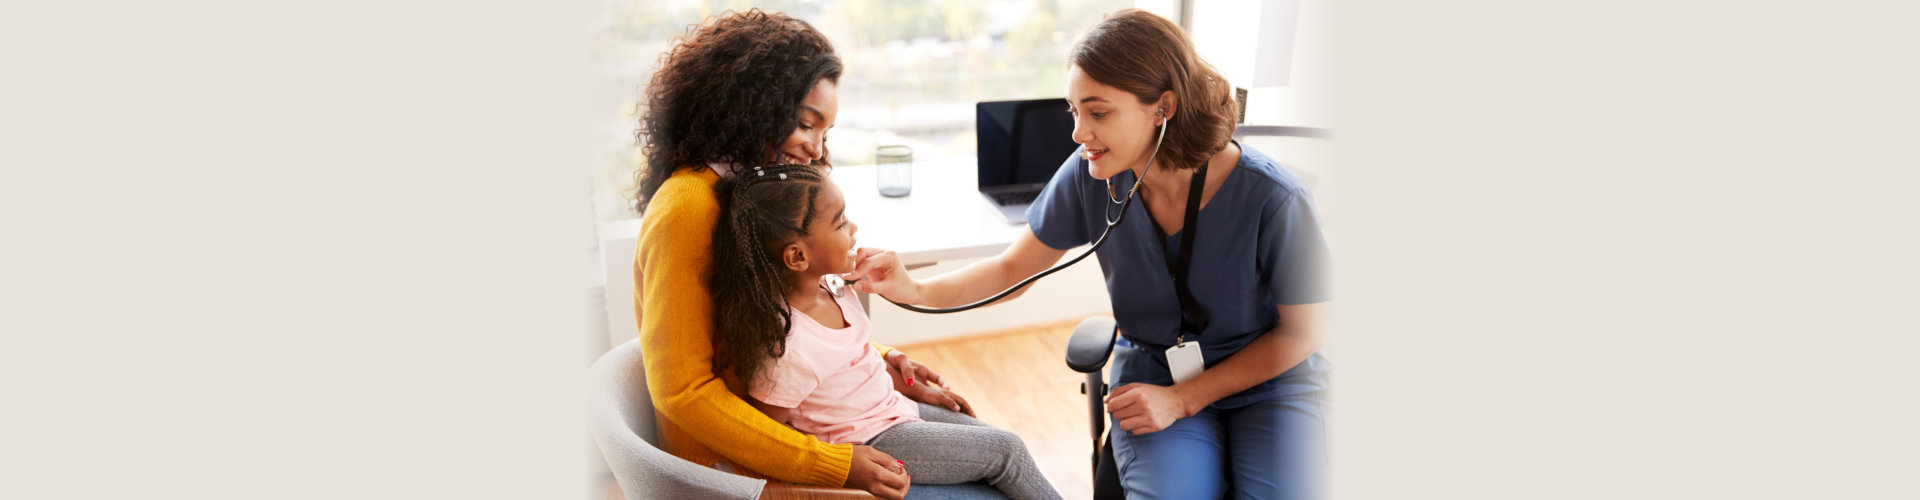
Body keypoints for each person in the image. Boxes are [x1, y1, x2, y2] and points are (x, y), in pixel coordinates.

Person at [846, 8, 1330, 500]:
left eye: (1098, 113)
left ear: (1163, 107)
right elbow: (1012, 269)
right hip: (1155, 372)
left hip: (1269, 379)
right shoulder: (1090, 174)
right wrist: (911, 288)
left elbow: (1304, 330)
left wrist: (1186, 398)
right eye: (1074, 111)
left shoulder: (1272, 197)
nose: (1078, 134)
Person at [630, 9, 957, 499]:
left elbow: (787, 328)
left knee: (985, 449)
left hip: (790, 432)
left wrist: (880, 361)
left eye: (825, 133)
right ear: (752, 105)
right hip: (729, 473)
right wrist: (833, 464)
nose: (814, 148)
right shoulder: (688, 208)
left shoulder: (750, 194)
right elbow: (683, 392)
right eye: (807, 124)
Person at [708, 163, 1063, 500]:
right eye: (840, 224)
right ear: (798, 257)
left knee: (995, 441)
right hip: (871, 438)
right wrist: (841, 469)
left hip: (893, 408)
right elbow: (770, 435)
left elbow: (853, 365)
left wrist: (907, 382)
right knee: (1008, 450)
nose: (854, 228)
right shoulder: (790, 350)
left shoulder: (834, 287)